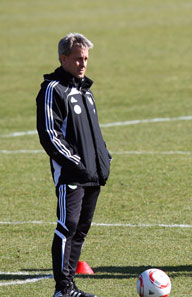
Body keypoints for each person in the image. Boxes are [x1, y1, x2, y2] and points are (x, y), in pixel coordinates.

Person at [36, 33, 111, 296]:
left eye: (86, 59)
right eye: (78, 58)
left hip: (92, 174)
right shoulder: (52, 90)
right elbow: (50, 134)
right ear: (63, 58)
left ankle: (70, 287)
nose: (82, 64)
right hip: (72, 174)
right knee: (67, 227)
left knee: (80, 230)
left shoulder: (86, 92)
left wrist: (104, 159)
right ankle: (62, 289)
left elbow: (94, 134)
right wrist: (76, 163)